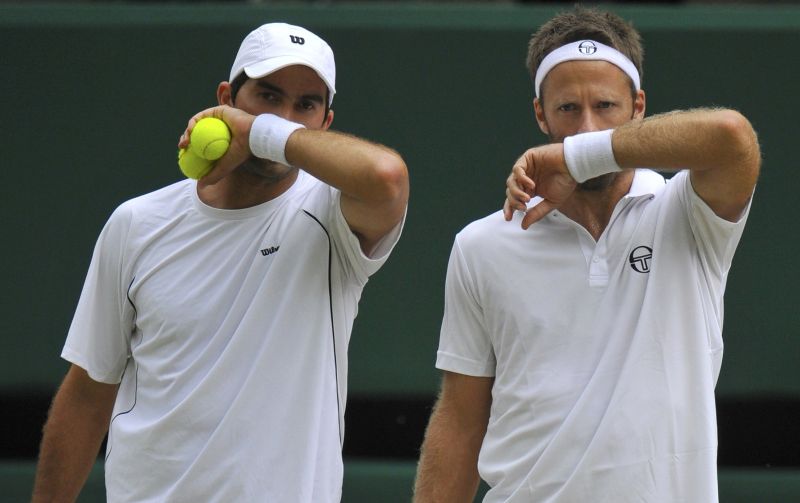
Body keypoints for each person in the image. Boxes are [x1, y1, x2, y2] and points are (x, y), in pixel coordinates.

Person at [33, 22, 409, 502]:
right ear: (226, 97)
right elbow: (87, 393)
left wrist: (258, 130)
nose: (286, 116)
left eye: (305, 105)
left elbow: (387, 176)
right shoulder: (137, 223)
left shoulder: (334, 216)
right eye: (269, 96)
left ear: (325, 123)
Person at [414, 6, 759, 503]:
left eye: (606, 106)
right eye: (568, 109)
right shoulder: (482, 244)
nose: (588, 125)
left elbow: (731, 137)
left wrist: (578, 156)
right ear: (540, 114)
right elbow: (462, 419)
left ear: (638, 107)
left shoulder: (687, 213)